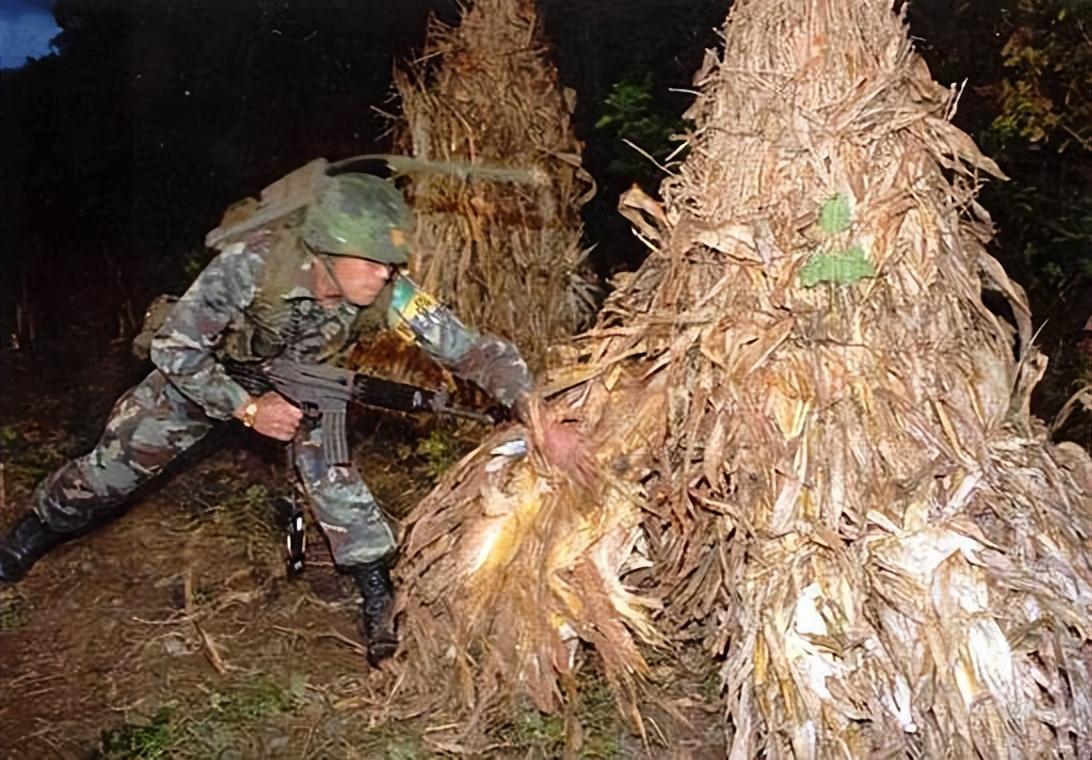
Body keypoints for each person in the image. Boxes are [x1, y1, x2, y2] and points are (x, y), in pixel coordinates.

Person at [0, 168, 577, 665]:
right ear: (327, 251)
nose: (386, 276)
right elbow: (174, 348)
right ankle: (32, 534)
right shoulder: (248, 267)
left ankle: (377, 594)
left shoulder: (388, 291)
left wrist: (534, 412)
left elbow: (472, 350)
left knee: (333, 474)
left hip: (299, 385)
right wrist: (247, 409)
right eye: (374, 263)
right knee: (108, 474)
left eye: (391, 264)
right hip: (209, 377)